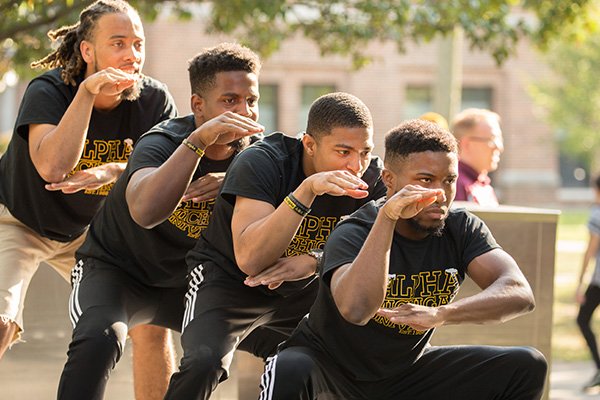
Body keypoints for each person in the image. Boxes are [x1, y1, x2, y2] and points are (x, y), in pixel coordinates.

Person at [259, 119, 548, 400]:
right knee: (289, 368)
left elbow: (518, 292)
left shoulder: (460, 228)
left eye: (449, 180)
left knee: (526, 365)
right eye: (425, 180)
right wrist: (388, 217)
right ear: (389, 179)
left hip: (405, 373)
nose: (440, 194)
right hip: (329, 369)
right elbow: (356, 309)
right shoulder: (353, 230)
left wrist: (442, 314)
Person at [56, 42, 265, 399]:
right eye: (230, 100)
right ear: (198, 105)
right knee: (98, 339)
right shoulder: (161, 141)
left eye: (252, 101)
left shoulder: (261, 159)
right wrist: (196, 143)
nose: (244, 111)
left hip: (195, 283)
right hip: (120, 272)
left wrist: (233, 181)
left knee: (259, 348)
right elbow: (147, 212)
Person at [0, 1, 179, 398]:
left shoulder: (153, 100)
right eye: (118, 43)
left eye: (138, 43)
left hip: (95, 235)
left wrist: (113, 171)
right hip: (21, 221)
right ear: (87, 51)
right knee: (1, 320)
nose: (132, 55)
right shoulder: (49, 90)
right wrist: (85, 94)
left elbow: (164, 179)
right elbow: (51, 167)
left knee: (151, 325)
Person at [163, 92, 387, 399]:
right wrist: (306, 191)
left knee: (361, 359)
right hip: (229, 282)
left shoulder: (373, 179)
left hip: (304, 292)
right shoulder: (264, 160)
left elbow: (381, 254)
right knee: (204, 362)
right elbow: (250, 259)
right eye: (343, 151)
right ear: (310, 144)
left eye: (364, 152)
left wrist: (315, 261)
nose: (355, 165)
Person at [576, 175, 600, 391]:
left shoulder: (597, 214)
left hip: (598, 281)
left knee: (583, 319)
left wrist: (580, 285)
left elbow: (590, 252)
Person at [451, 108, 504, 206]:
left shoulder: (483, 185)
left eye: (499, 139)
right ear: (466, 144)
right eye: (491, 139)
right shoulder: (453, 183)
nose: (499, 147)